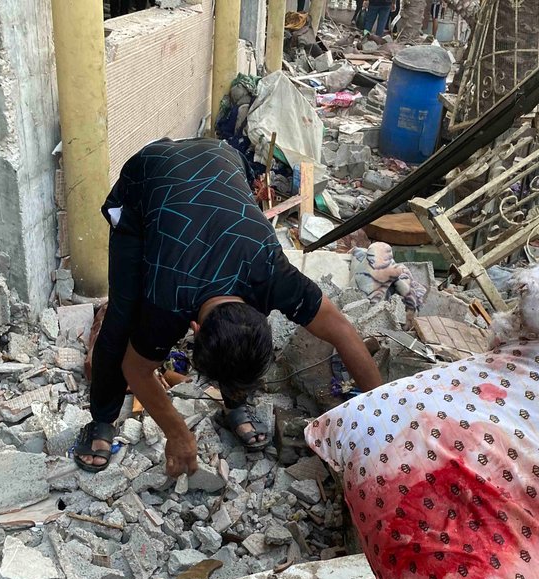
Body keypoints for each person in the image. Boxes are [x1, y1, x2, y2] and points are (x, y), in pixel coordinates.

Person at [73, 138, 383, 477]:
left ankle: (235, 405)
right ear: (193, 330)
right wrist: (178, 433)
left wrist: (385, 416)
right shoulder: (167, 299)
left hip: (221, 158)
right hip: (148, 176)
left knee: (238, 353)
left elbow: (341, 330)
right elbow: (136, 369)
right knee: (121, 318)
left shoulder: (271, 271)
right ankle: (101, 419)